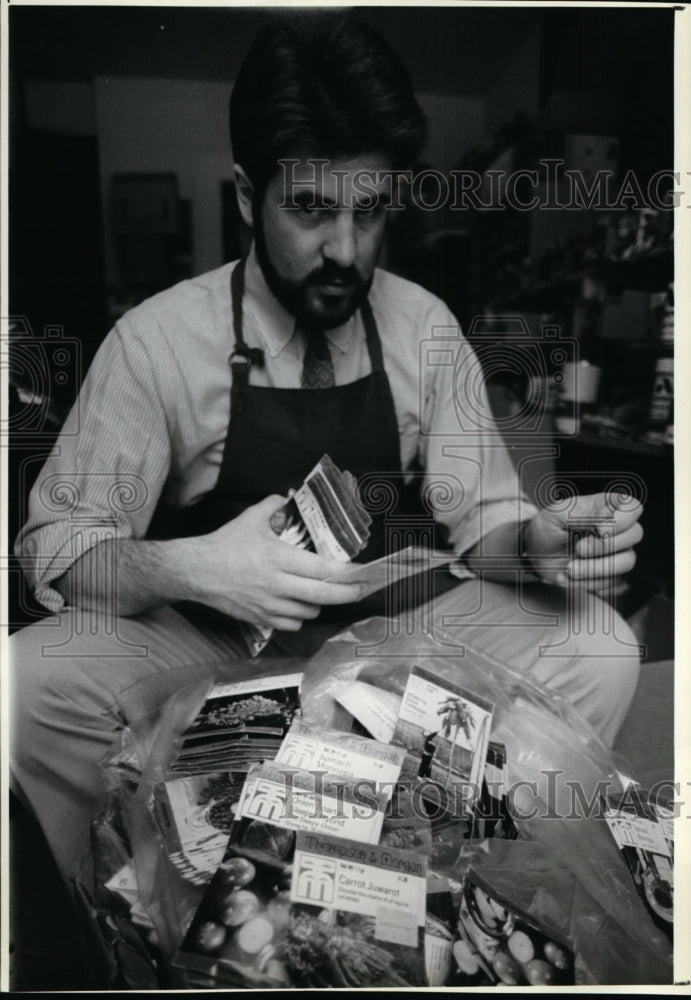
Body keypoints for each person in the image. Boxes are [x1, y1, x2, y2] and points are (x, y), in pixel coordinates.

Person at [10, 12, 643, 895]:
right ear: (244, 196)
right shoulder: (153, 343)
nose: (344, 249)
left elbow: (486, 520)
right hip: (211, 648)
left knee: (600, 644)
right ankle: (143, 910)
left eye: (369, 210)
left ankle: (451, 896)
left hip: (384, 646)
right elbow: (60, 553)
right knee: (22, 684)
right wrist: (195, 566)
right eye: (309, 209)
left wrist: (534, 544)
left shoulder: (422, 324)